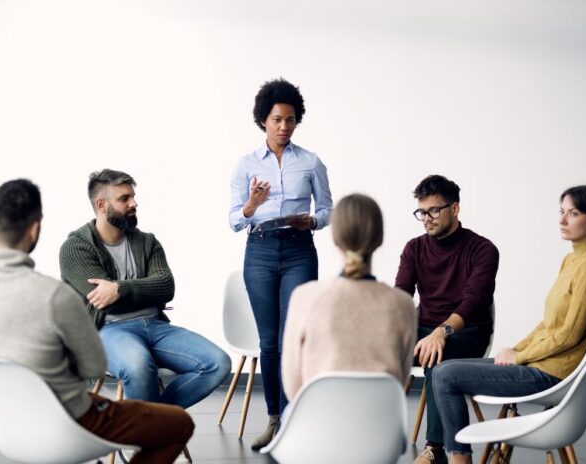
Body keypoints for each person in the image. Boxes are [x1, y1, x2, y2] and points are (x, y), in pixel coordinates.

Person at [0, 179, 194, 463]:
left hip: (4, 424)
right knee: (178, 423)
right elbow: (94, 366)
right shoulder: (54, 296)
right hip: (70, 421)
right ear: (34, 229)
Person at [431, 184, 586, 464]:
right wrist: (514, 349)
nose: (562, 220)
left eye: (574, 213)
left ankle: (460, 460)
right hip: (540, 362)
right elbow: (549, 324)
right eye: (562, 212)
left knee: (446, 376)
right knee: (442, 369)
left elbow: (569, 335)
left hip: (551, 373)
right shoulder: (573, 259)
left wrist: (519, 357)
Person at [60, 169, 230, 409]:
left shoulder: (147, 241)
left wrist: (119, 288)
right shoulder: (75, 248)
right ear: (101, 204)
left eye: (133, 196)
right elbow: (104, 300)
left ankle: (149, 423)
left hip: (155, 325)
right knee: (138, 366)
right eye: (124, 199)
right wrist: (139, 290)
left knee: (217, 363)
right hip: (108, 331)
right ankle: (150, 431)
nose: (134, 203)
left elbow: (166, 287)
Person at [229, 78, 333, 449]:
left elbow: (326, 209)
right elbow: (233, 220)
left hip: (299, 250)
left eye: (290, 120)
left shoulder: (310, 162)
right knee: (269, 343)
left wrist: (313, 221)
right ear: (263, 121)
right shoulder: (245, 165)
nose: (284, 127)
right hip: (258, 251)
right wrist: (252, 206)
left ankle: (293, 421)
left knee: (294, 340)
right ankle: (274, 418)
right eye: (277, 119)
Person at [394, 174, 499, 464]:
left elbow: (474, 300)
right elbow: (402, 295)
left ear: (455, 208)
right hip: (423, 328)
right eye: (422, 212)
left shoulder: (483, 249)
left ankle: (436, 449)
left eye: (434, 211)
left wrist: (442, 331)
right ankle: (368, 436)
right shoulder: (414, 248)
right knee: (372, 347)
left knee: (436, 353)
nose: (427, 218)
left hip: (468, 334)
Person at [282, 193, 417, 399]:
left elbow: (293, 389)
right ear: (380, 238)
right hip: (381, 430)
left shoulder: (304, 298)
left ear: (335, 238)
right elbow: (400, 383)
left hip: (318, 427)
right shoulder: (403, 304)